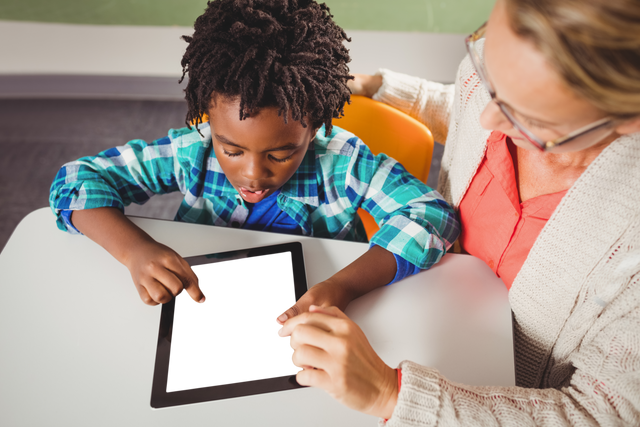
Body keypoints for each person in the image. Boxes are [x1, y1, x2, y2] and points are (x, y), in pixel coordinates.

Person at [275, 0, 640, 425]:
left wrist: (390, 395)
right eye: (488, 68)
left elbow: (603, 413)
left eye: (527, 119)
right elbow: (469, 107)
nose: (488, 115)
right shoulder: (488, 93)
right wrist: (378, 86)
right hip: (424, 315)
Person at [48, 0, 459, 312]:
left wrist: (342, 287)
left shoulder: (344, 162)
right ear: (208, 117)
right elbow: (77, 180)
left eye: (281, 154)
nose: (252, 174)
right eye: (231, 149)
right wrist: (134, 250)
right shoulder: (192, 151)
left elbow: (431, 215)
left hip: (319, 310)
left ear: (314, 127)